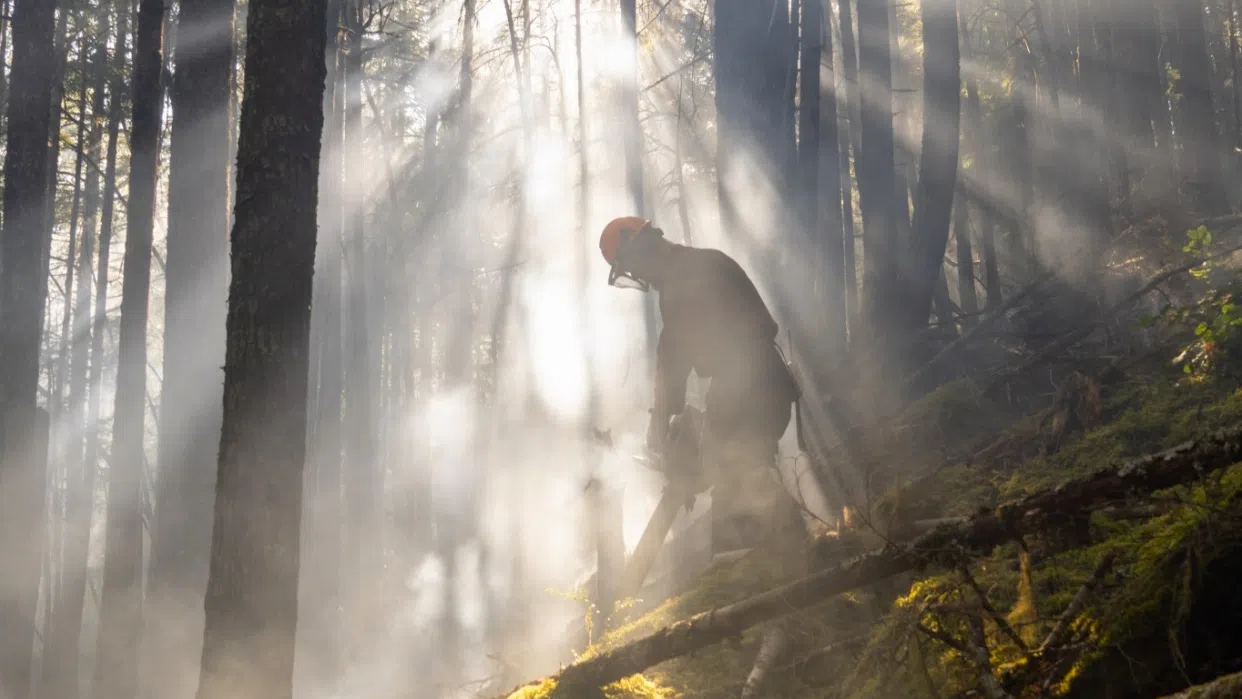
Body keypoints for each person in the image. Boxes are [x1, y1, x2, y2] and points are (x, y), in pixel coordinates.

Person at [598, 216, 805, 554]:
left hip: (745, 386)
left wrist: (660, 419)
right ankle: (793, 554)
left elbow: (673, 357)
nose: (641, 276)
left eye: (635, 267)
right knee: (748, 474)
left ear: (643, 250)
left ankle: (759, 566)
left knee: (739, 483)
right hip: (764, 379)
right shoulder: (705, 262)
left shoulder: (682, 280)